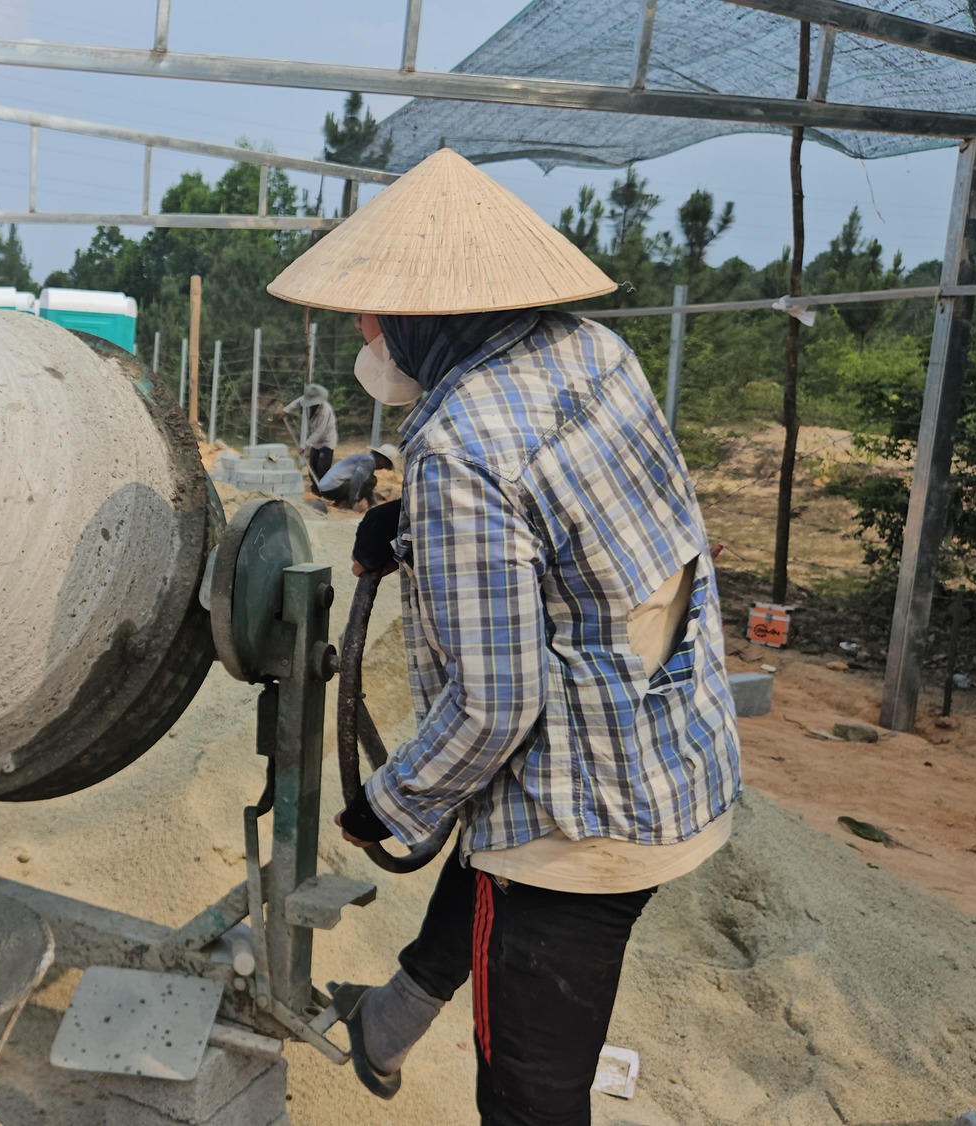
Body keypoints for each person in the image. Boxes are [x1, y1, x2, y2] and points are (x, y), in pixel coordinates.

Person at [267, 148, 741, 1125]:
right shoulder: (588, 353)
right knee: (483, 862)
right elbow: (567, 508)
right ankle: (385, 1026)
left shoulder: (456, 441)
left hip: (585, 822)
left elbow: (493, 705)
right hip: (674, 751)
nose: (361, 328)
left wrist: (384, 804)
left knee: (527, 1090)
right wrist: (401, 522)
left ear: (424, 313)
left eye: (372, 308)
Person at [314, 442, 400, 510]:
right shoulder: (368, 461)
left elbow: (367, 487)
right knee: (371, 480)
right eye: (386, 464)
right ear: (381, 459)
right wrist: (353, 503)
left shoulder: (365, 459)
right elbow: (357, 481)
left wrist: (373, 504)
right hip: (332, 488)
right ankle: (345, 503)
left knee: (370, 479)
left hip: (326, 488)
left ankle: (342, 501)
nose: (384, 468)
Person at [279, 382, 337, 481]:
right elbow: (298, 402)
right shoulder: (306, 401)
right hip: (315, 442)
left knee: (322, 470)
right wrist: (286, 410)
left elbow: (319, 432)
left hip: (326, 441)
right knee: (312, 469)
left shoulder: (325, 412)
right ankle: (315, 489)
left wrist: (304, 446)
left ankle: (324, 491)